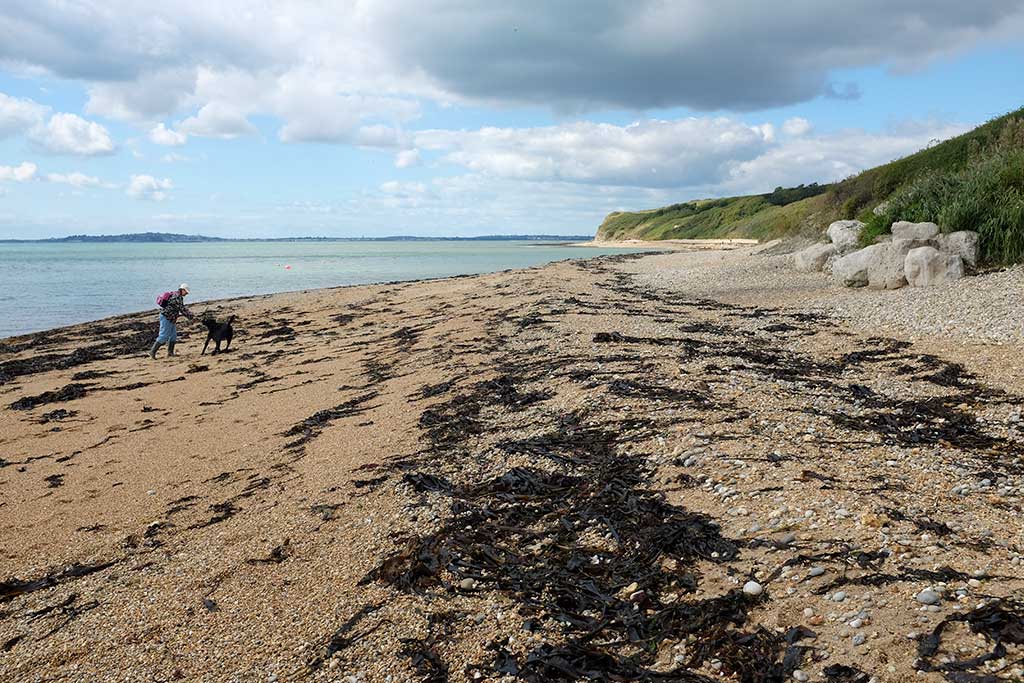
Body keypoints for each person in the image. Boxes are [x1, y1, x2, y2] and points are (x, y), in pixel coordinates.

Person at [150, 284, 195, 358]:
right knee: (163, 336)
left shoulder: (177, 295)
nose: (186, 294)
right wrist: (191, 316)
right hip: (166, 317)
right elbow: (182, 309)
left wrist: (190, 315)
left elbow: (181, 308)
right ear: (182, 290)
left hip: (172, 318)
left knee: (173, 336)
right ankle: (152, 352)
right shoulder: (176, 297)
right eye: (186, 292)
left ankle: (170, 353)